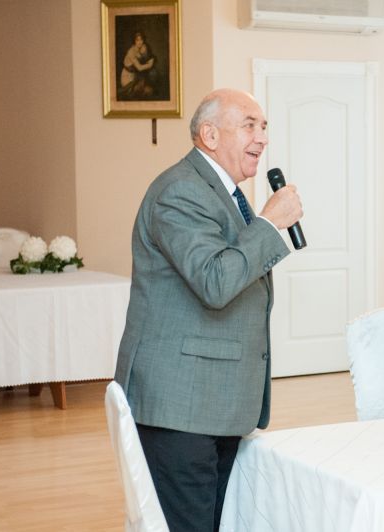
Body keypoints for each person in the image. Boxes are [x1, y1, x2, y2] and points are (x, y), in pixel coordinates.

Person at [114, 88, 303, 531]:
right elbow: (215, 281)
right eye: (249, 125)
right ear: (210, 135)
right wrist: (269, 223)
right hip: (181, 405)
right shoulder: (179, 191)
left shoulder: (224, 192)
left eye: (264, 127)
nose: (262, 137)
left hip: (214, 401)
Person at [119, 32, 155, 99]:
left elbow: (145, 58)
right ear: (134, 41)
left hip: (134, 75)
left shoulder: (141, 48)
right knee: (137, 93)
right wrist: (150, 64)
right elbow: (139, 68)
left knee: (148, 90)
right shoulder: (131, 51)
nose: (140, 42)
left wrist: (148, 56)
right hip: (127, 77)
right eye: (137, 40)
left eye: (141, 39)